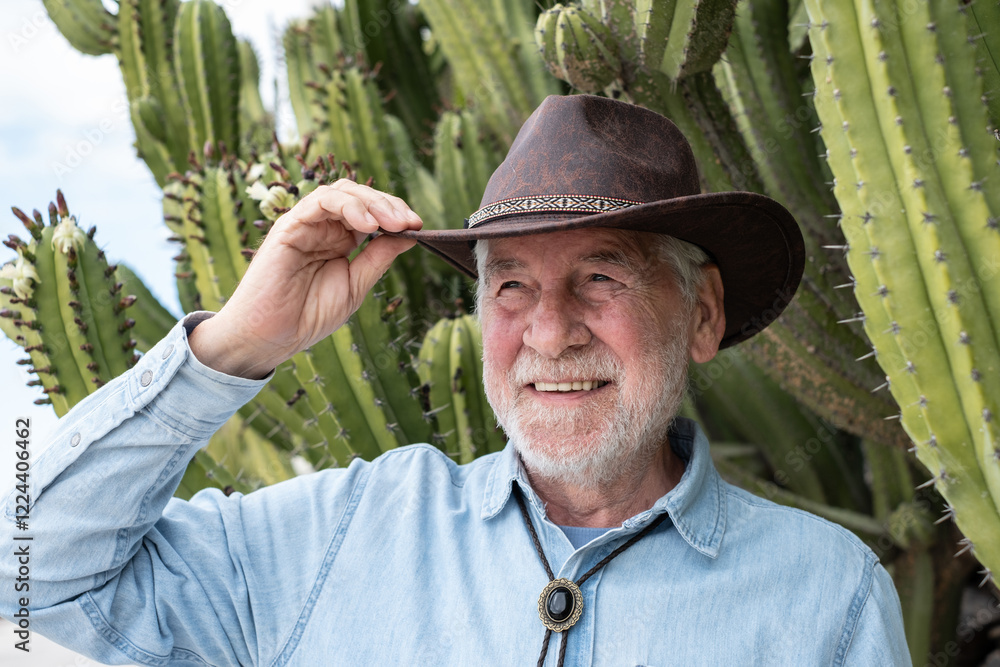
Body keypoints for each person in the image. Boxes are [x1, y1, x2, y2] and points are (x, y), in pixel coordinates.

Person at [1, 95, 908, 665]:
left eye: (602, 276)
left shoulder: (826, 595)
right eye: (509, 283)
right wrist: (232, 347)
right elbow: (27, 580)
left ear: (702, 314)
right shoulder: (338, 535)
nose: (548, 332)